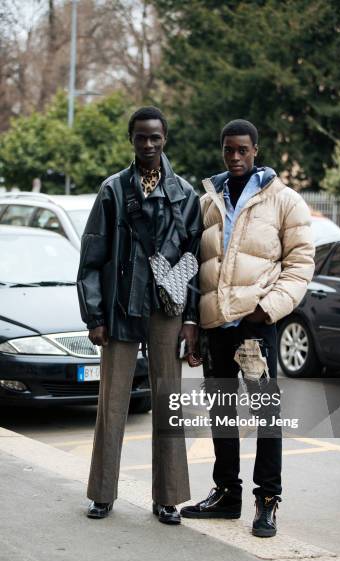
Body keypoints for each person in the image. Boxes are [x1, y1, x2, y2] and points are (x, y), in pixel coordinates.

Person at [181, 119, 315, 537]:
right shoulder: (208, 200)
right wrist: (192, 322)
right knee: (221, 412)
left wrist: (266, 308)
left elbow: (300, 264)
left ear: (256, 150)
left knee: (265, 416)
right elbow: (192, 264)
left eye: (243, 150)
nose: (235, 157)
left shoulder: (284, 200)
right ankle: (226, 494)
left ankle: (267, 501)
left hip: (256, 328)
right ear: (222, 150)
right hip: (216, 327)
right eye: (228, 150)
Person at [77, 106, 202, 525]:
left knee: (168, 401)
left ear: (165, 138)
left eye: (155, 137)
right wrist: (94, 316)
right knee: (111, 402)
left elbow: (194, 258)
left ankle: (168, 498)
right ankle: (102, 494)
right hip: (119, 308)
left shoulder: (185, 194)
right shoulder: (112, 191)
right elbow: (92, 258)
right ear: (130, 139)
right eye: (141, 137)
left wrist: (189, 318)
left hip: (165, 309)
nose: (148, 144)